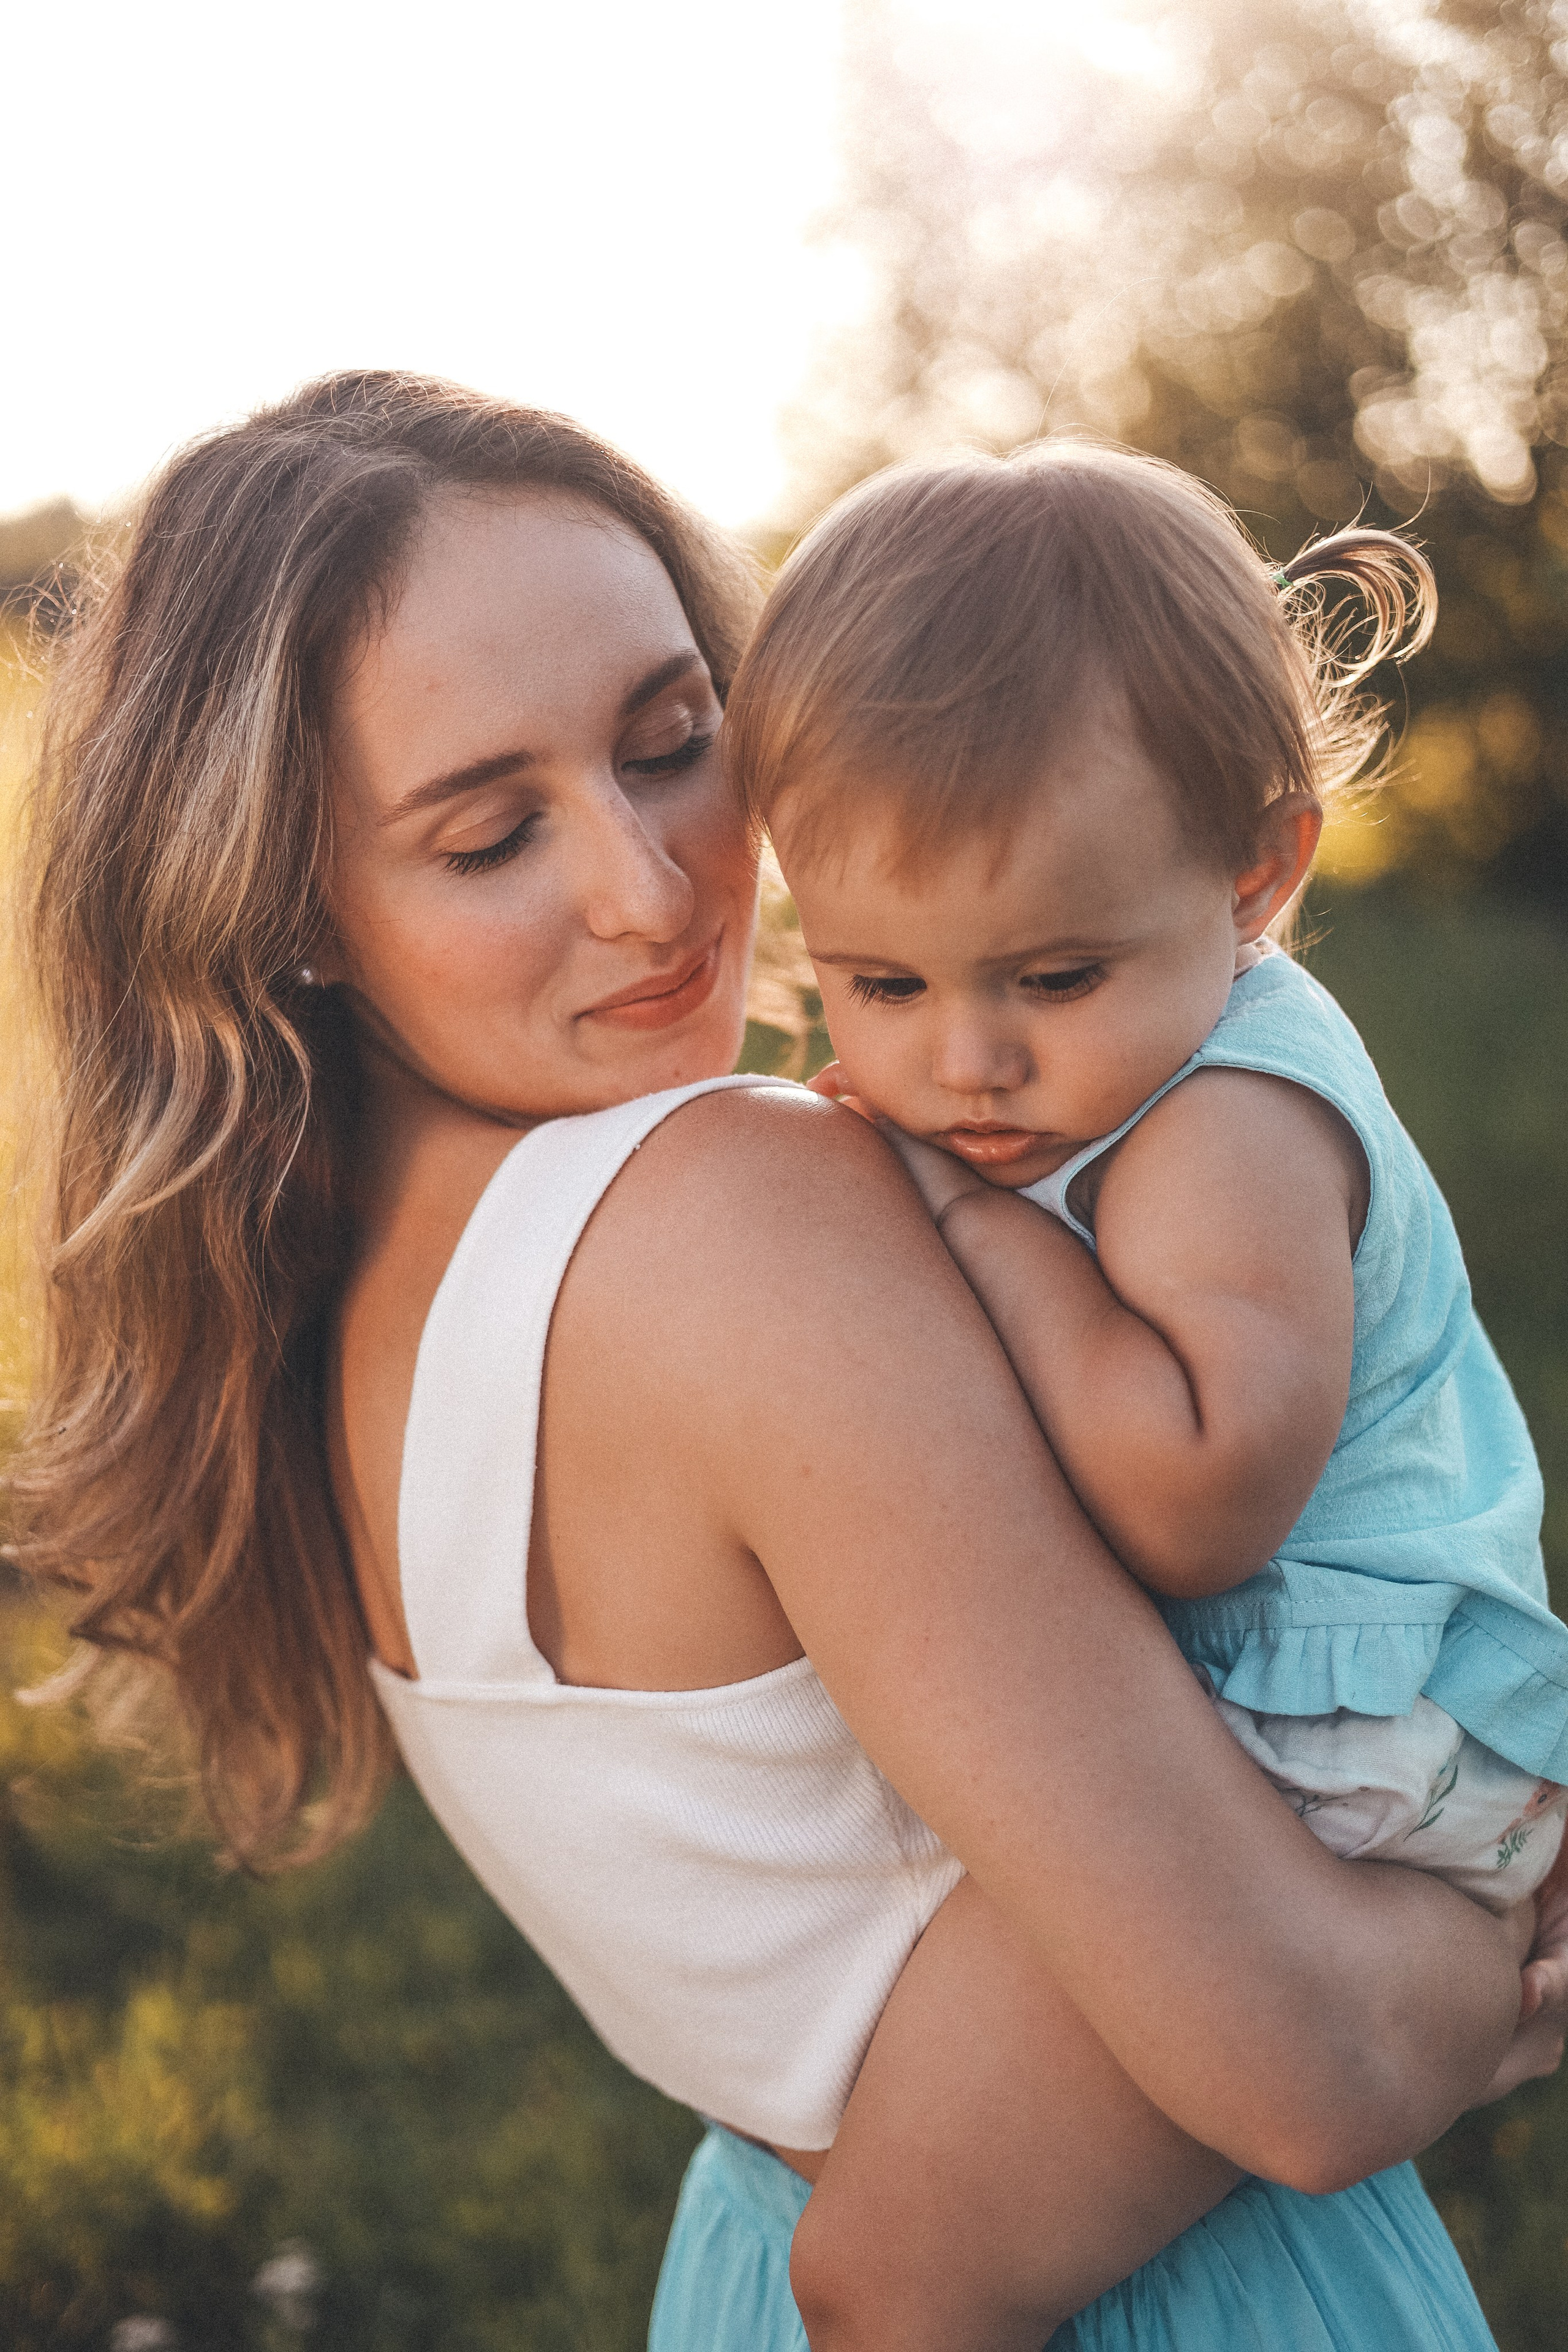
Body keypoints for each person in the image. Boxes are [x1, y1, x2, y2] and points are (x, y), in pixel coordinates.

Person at [10, 374, 1563, 2352]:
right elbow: (1313, 2064)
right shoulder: (745, 1210)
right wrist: (1491, 1950)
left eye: (676, 746)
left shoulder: (324, 1314)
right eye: (491, 836)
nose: (655, 888)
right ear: (291, 902)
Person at [723, 442, 1568, 2345]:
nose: (968, 1063)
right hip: (1285, 1731)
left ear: (1257, 870)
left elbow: (1199, 1496)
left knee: (885, 2277)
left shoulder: (1229, 1126)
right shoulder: (1102, 1068)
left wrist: (973, 1229)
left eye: (1051, 975)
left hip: (1329, 1750)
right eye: (880, 985)